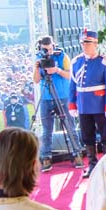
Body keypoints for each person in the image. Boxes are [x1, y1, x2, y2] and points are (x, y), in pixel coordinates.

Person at [68, 27, 106, 169]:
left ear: (96, 44)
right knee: (87, 136)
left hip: (99, 104)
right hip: (83, 105)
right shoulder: (76, 62)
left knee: (105, 136)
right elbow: (72, 84)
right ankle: (92, 166)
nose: (85, 45)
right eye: (83, 43)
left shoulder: (104, 61)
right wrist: (72, 103)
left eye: (88, 42)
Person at [34, 33, 73, 161]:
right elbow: (36, 80)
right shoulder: (38, 58)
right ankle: (46, 157)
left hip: (62, 96)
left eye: (50, 49)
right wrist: (36, 67)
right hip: (46, 97)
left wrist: (57, 70)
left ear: (54, 46)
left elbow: (70, 76)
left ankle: (76, 152)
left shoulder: (62, 56)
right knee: (46, 130)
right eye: (45, 49)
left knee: (69, 125)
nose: (48, 52)